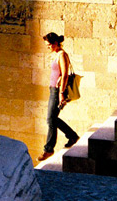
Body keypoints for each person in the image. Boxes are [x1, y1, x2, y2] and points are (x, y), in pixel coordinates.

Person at [37, 32, 79, 162]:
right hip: (53, 89)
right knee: (52, 119)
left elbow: (65, 74)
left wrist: (61, 94)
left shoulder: (62, 55)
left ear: (55, 43)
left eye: (49, 45)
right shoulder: (57, 55)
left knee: (50, 119)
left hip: (58, 91)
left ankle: (49, 149)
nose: (48, 47)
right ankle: (72, 136)